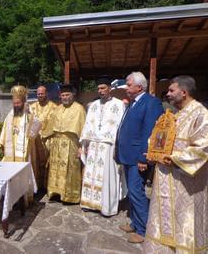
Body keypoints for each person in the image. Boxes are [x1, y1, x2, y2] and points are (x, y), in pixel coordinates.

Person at [143, 76, 208, 253]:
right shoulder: (175, 115)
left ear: (184, 92)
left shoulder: (201, 114)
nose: (168, 94)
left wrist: (173, 158)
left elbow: (203, 147)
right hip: (165, 177)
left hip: (187, 184)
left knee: (185, 223)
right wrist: (152, 152)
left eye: (172, 91)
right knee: (163, 220)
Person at [115, 72, 164, 243]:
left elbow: (150, 133)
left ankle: (143, 231)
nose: (126, 88)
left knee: (137, 192)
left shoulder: (151, 103)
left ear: (139, 87)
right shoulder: (134, 103)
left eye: (128, 85)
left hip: (138, 158)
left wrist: (144, 158)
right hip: (128, 156)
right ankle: (136, 224)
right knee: (133, 192)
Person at [79, 76, 127, 216]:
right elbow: (88, 124)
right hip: (93, 146)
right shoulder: (93, 105)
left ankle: (107, 206)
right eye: (99, 88)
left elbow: (121, 127)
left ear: (110, 88)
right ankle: (90, 203)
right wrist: (85, 144)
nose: (100, 91)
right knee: (91, 175)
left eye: (103, 88)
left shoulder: (119, 104)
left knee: (107, 176)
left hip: (108, 146)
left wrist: (118, 146)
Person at [45, 84, 86, 203]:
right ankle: (56, 192)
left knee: (70, 170)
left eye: (67, 94)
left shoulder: (79, 109)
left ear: (72, 95)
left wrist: (82, 147)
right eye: (63, 95)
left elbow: (84, 130)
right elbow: (49, 128)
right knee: (56, 170)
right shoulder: (57, 109)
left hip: (71, 144)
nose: (65, 97)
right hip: (57, 144)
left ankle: (69, 196)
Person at [0, 85, 41, 184]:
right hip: (11, 149)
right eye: (14, 103)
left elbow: (38, 124)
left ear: (23, 102)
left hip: (25, 148)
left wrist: (29, 117)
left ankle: (25, 193)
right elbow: (4, 128)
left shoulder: (29, 113)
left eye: (18, 103)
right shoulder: (10, 114)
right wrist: (1, 142)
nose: (16, 105)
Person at [29, 85, 56, 189]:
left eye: (42, 93)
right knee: (35, 162)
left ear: (46, 94)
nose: (40, 95)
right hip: (35, 139)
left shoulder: (54, 107)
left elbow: (54, 124)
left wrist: (45, 134)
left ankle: (47, 185)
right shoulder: (32, 107)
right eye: (38, 94)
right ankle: (36, 185)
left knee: (47, 163)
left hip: (48, 139)